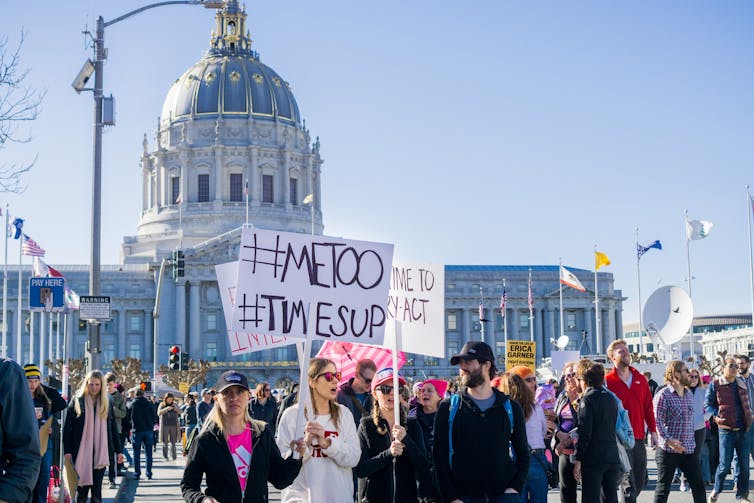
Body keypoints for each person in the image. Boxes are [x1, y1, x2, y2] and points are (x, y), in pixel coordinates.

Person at [181, 370, 304, 503]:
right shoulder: (205, 440)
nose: (234, 398)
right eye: (227, 392)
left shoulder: (262, 434)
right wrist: (202, 500)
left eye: (240, 392)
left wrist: (296, 456)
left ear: (248, 397)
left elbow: (280, 480)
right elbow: (188, 485)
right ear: (216, 398)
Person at [433, 341, 530, 503]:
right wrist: (451, 497)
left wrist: (514, 488)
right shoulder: (448, 408)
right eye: (460, 363)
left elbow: (523, 453)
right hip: (463, 497)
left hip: (503, 496)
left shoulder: (510, 407)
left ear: (486, 365)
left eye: (468, 362)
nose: (462, 368)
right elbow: (439, 457)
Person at [276, 358, 361, 502]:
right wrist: (305, 444)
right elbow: (281, 464)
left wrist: (328, 444)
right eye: (329, 376)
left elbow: (354, 458)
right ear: (312, 381)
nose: (335, 381)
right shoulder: (291, 416)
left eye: (337, 376)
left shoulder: (344, 414)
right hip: (302, 498)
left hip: (338, 497)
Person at [355, 367, 431, 502]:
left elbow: (424, 465)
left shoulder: (412, 424)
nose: (392, 393)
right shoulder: (366, 425)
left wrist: (406, 440)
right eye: (385, 389)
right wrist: (388, 454)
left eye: (397, 389)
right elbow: (360, 469)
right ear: (374, 394)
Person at [604, 339, 658, 503]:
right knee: (627, 482)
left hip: (639, 437)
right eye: (621, 351)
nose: (626, 353)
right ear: (612, 357)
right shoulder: (608, 381)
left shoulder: (640, 379)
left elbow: (648, 407)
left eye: (626, 350)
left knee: (640, 479)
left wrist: (654, 431)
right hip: (619, 439)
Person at [62, 370, 122, 503]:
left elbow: (112, 429)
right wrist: (67, 450)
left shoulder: (106, 402)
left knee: (97, 492)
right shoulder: (78, 400)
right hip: (80, 452)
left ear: (102, 385)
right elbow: (67, 429)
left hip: (100, 453)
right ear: (86, 384)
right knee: (81, 492)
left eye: (97, 384)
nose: (94, 388)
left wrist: (119, 451)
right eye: (91, 384)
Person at [652, 360, 706, 503]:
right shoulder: (663, 395)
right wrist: (669, 440)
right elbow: (656, 421)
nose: (689, 374)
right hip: (668, 451)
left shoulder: (688, 394)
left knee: (699, 486)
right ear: (676, 374)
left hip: (688, 450)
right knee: (663, 489)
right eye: (686, 371)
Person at [705, 356, 753, 503]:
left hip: (743, 429)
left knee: (744, 467)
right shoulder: (715, 384)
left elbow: (747, 403)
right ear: (723, 368)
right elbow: (708, 405)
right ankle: (717, 490)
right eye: (731, 366)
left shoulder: (741, 384)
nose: (734, 368)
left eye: (735, 366)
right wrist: (715, 415)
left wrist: (749, 417)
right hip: (726, 430)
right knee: (724, 466)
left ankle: (742, 496)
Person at [572, 361, 621, 503]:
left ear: (585, 381)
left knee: (590, 498)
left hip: (594, 458)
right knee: (610, 498)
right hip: (612, 455)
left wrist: (578, 459)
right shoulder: (611, 398)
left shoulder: (587, 400)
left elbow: (585, 432)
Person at [501, 369, 550, 503]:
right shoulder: (535, 407)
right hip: (536, 456)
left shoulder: (504, 409)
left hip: (514, 458)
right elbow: (544, 431)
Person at [3, 361, 41, 503]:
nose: (32, 384)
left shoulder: (6, 372)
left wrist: (8, 496)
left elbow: (26, 454)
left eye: (35, 381)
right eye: (29, 381)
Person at [408, 379, 448, 502]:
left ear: (439, 396)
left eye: (429, 391)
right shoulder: (411, 418)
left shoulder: (448, 416)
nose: (424, 393)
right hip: (420, 479)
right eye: (422, 390)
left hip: (444, 477)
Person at [551, 361, 581, 503]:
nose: (569, 378)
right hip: (565, 451)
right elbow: (555, 419)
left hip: (582, 451)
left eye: (572, 374)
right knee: (566, 492)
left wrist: (570, 436)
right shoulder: (562, 396)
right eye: (566, 375)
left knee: (590, 493)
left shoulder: (585, 395)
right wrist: (558, 433)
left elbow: (586, 424)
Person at [337, 358, 377, 428]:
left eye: (373, 381)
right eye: (368, 381)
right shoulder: (339, 397)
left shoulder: (375, 396)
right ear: (357, 375)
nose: (370, 384)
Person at [129, 388, 158, 480]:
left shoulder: (132, 404)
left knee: (136, 453)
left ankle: (137, 473)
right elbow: (154, 416)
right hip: (148, 430)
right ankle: (149, 473)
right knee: (148, 453)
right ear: (143, 394)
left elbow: (128, 417)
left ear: (136, 395)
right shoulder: (149, 404)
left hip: (137, 430)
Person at [104, 372, 127, 488]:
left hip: (115, 429)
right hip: (102, 429)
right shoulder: (101, 395)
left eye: (110, 384)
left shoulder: (119, 398)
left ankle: (111, 478)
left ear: (114, 384)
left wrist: (113, 410)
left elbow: (123, 413)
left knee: (112, 455)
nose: (108, 387)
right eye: (107, 384)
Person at [157, 392, 181, 461]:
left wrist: (175, 408)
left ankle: (174, 456)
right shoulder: (162, 404)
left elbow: (180, 412)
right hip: (165, 425)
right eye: (169, 399)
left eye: (171, 399)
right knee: (165, 442)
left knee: (173, 442)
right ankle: (165, 456)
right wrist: (167, 409)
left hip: (173, 425)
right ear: (166, 399)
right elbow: (158, 413)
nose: (170, 400)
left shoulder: (175, 404)